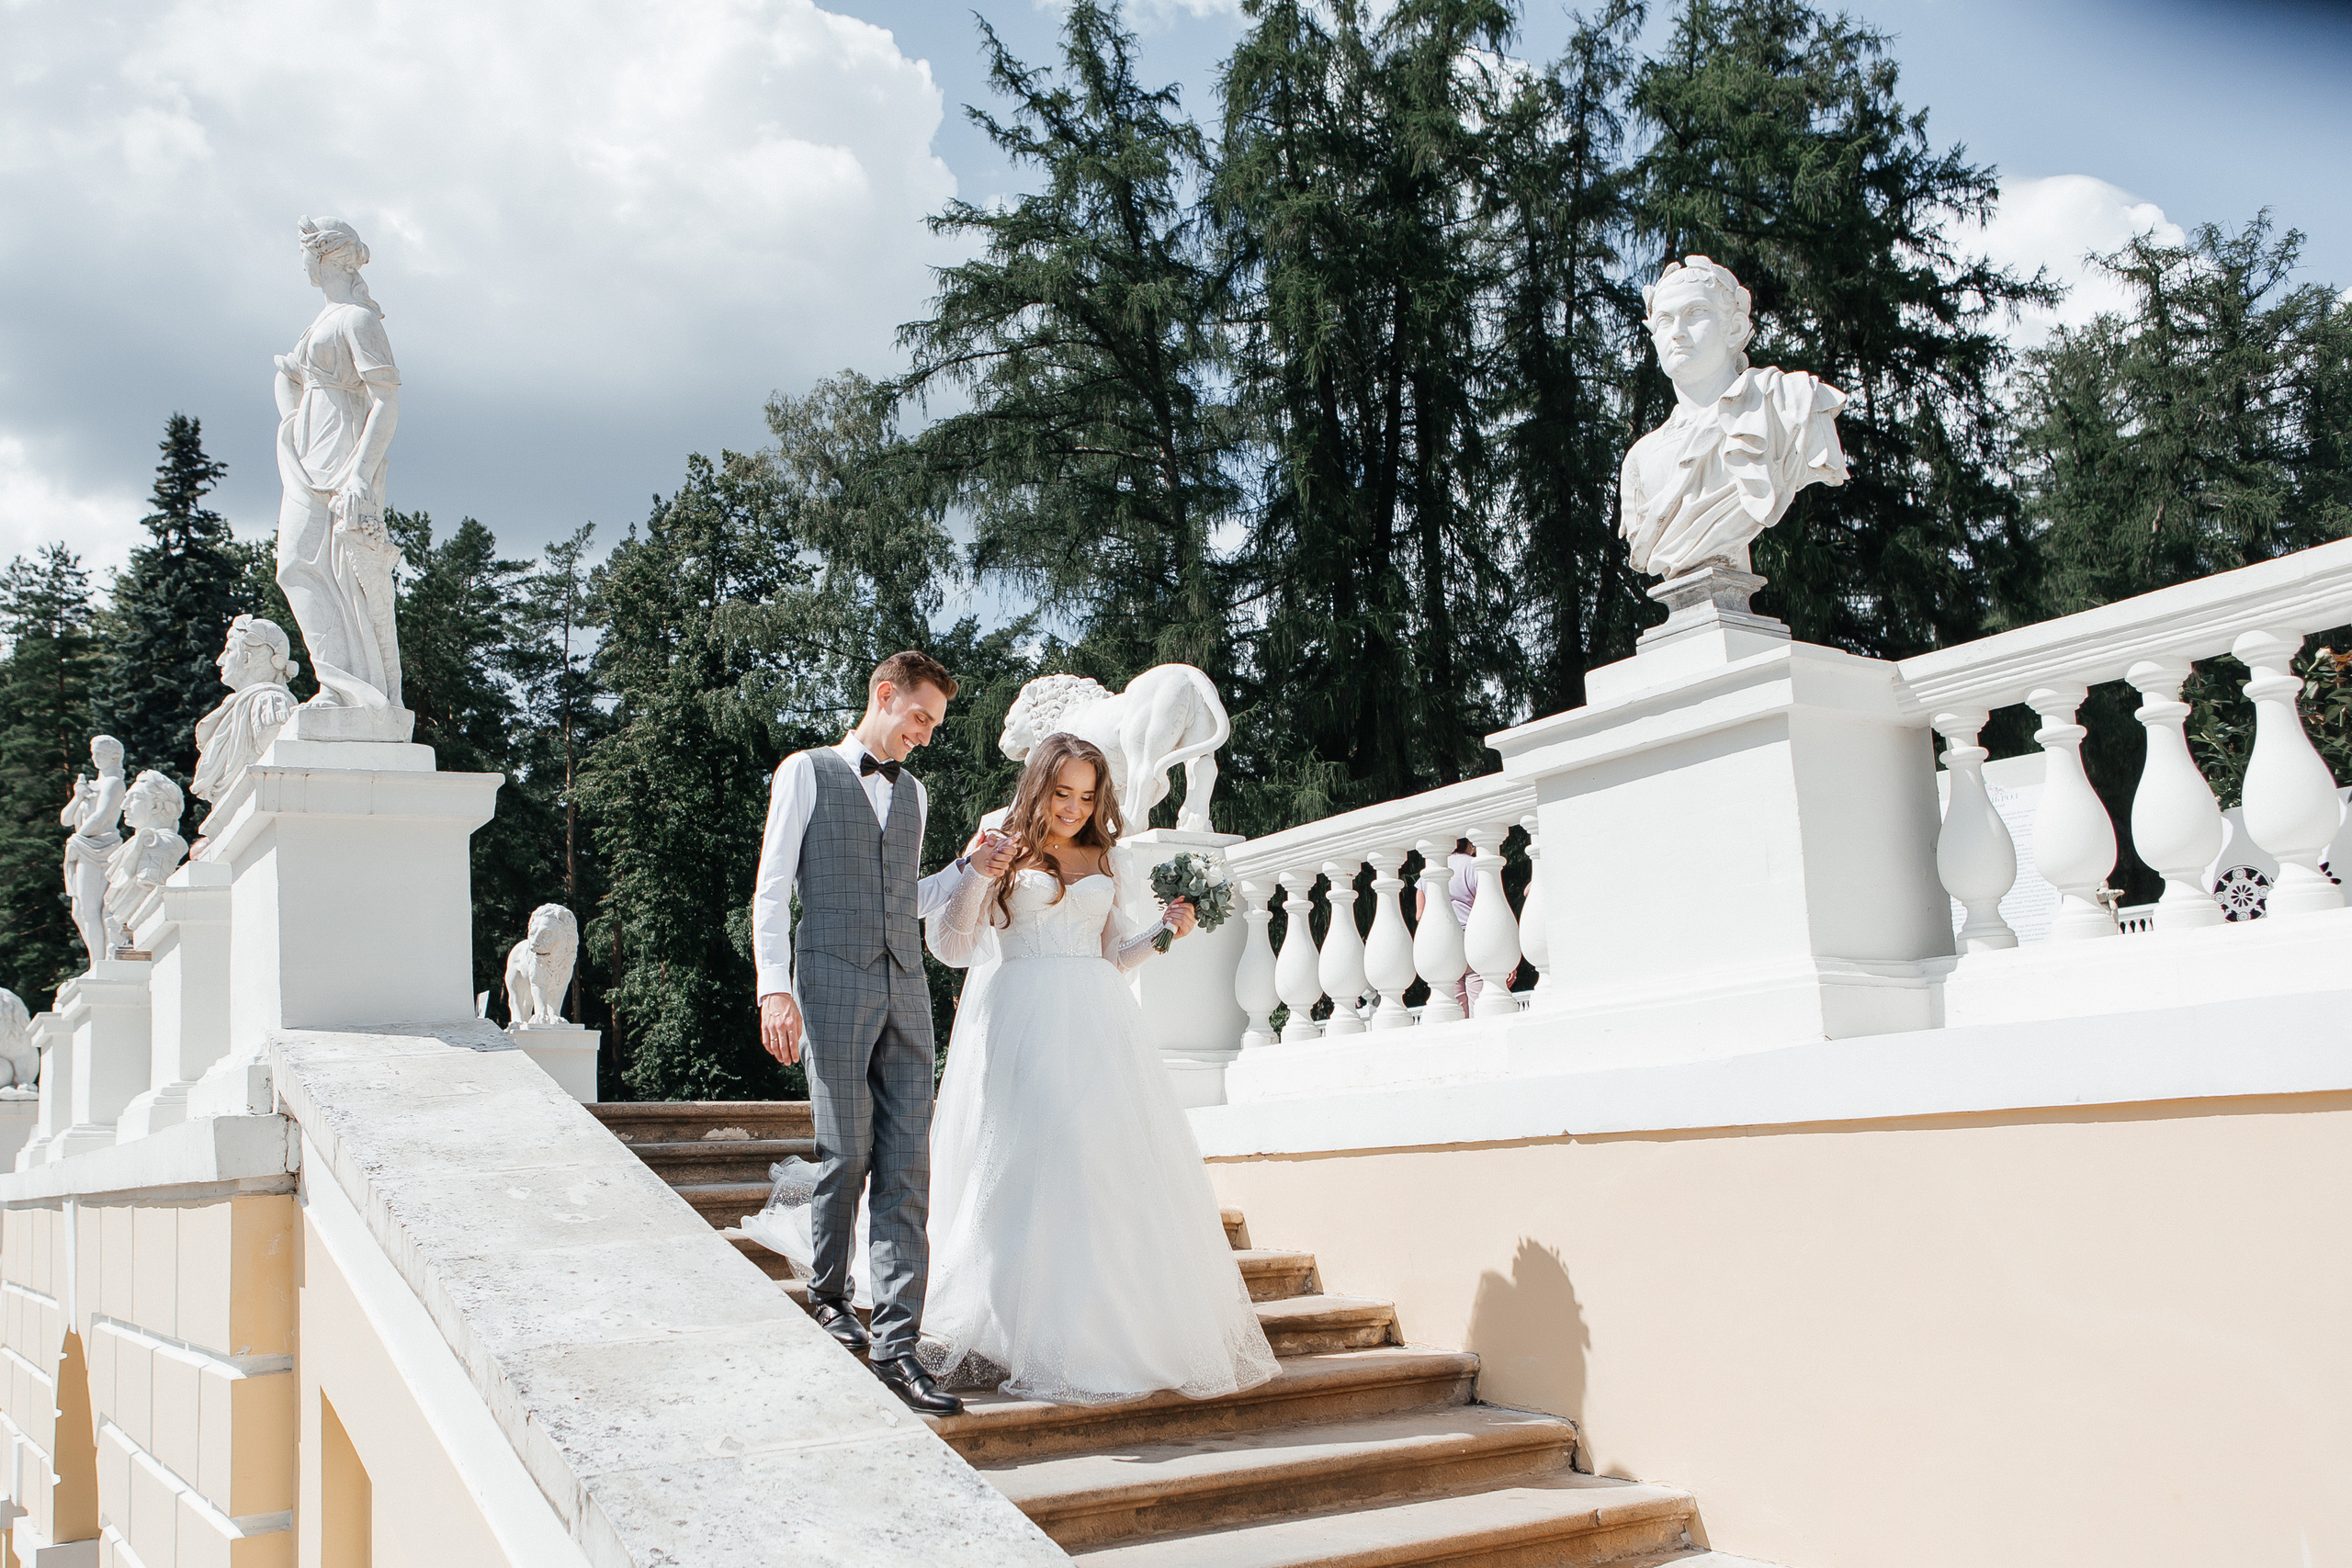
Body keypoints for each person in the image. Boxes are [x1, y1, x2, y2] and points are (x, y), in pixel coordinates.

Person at [921, 733, 1279, 1405]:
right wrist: (978, 875)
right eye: (1063, 793)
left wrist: (1169, 930)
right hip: (1022, 1016)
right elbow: (951, 943)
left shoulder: (1102, 853)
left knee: (1093, 1164)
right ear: (1038, 787)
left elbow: (1113, 954)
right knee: (1032, 1158)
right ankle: (1007, 1322)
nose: (1075, 808)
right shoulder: (997, 838)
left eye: (1087, 796)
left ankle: (1085, 1333)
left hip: (1094, 1022)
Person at [750, 650, 1019, 1416]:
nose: (926, 735)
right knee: (848, 1148)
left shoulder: (917, 794)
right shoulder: (804, 772)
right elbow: (772, 889)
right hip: (830, 980)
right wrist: (774, 987)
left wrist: (970, 865)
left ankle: (898, 1350)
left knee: (908, 1165)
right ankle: (828, 1289)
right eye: (920, 717)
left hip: (906, 989)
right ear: (884, 694)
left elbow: (913, 897)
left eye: (934, 723)